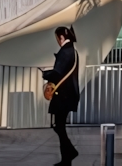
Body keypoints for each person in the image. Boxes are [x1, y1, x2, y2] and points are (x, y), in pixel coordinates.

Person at [42, 26, 81, 166]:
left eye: (57, 38)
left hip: (63, 96)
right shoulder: (72, 51)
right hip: (68, 95)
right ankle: (67, 158)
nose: (58, 41)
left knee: (58, 126)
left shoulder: (65, 52)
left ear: (62, 38)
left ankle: (69, 154)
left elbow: (57, 73)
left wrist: (45, 74)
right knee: (59, 126)